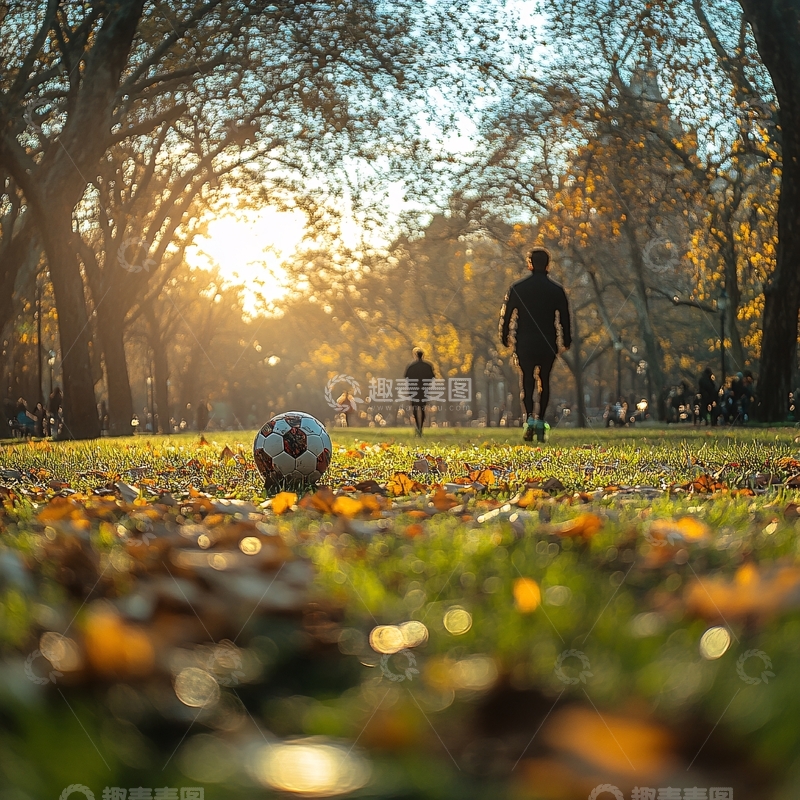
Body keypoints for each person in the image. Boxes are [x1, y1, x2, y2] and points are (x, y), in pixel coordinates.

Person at [500, 247, 571, 442]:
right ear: (548, 264)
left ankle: (529, 418)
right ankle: (540, 421)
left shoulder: (519, 288)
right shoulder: (556, 290)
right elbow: (564, 318)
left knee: (527, 381)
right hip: (547, 341)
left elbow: (507, 315)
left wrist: (504, 335)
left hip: (524, 341)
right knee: (544, 381)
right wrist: (566, 340)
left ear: (529, 263)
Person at [403, 347, 436, 436]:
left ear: (415, 355)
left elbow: (406, 377)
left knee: (415, 408)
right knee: (422, 408)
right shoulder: (428, 366)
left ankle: (418, 426)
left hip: (414, 390)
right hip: (424, 389)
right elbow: (432, 377)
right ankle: (420, 426)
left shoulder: (411, 366)